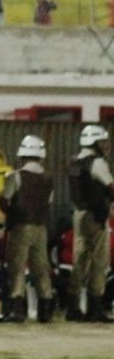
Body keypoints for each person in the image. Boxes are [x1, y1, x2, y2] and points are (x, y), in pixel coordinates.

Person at [0, 136, 54, 323]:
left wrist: (10, 213)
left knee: (17, 267)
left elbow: (4, 200)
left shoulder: (15, 176)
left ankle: (17, 309)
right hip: (41, 227)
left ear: (22, 155)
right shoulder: (48, 178)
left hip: (21, 227)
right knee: (41, 268)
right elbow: (49, 202)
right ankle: (45, 309)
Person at [66, 125, 114, 322]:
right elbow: (111, 186)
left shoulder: (76, 161)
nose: (107, 145)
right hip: (96, 216)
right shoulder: (97, 163)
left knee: (80, 261)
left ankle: (73, 306)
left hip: (80, 214)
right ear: (94, 143)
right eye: (103, 141)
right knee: (99, 261)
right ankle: (95, 307)